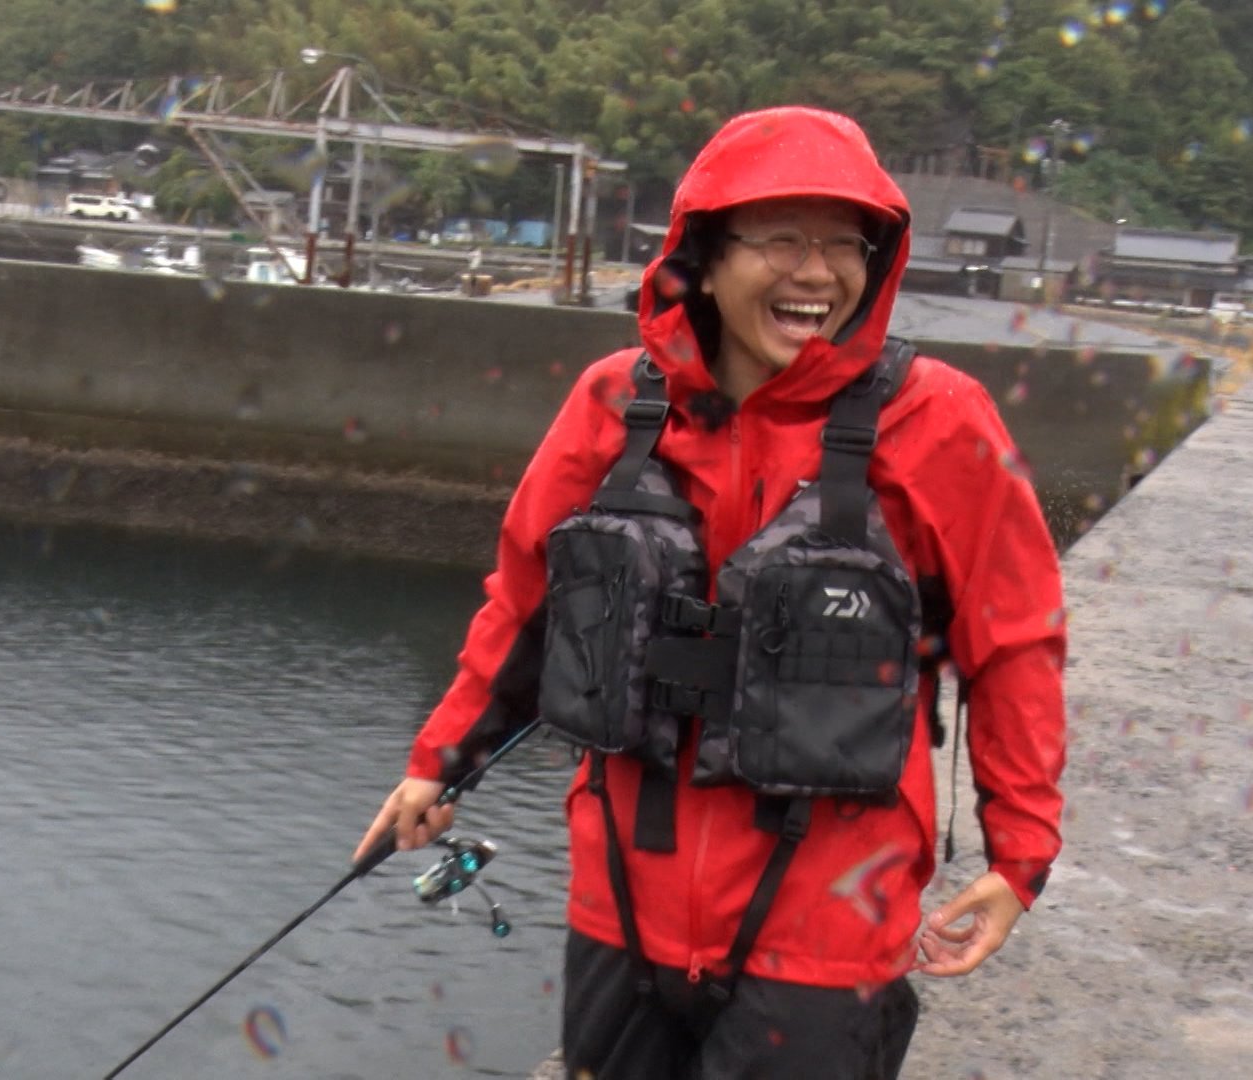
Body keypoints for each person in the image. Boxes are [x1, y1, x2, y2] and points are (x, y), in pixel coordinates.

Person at [356, 106, 1066, 1078]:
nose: (817, 273)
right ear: (704, 254)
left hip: (828, 924)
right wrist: (440, 760)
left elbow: (1014, 642)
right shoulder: (615, 402)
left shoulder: (938, 419)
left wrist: (1018, 856)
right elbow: (526, 596)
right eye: (780, 239)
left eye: (843, 243)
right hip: (622, 902)